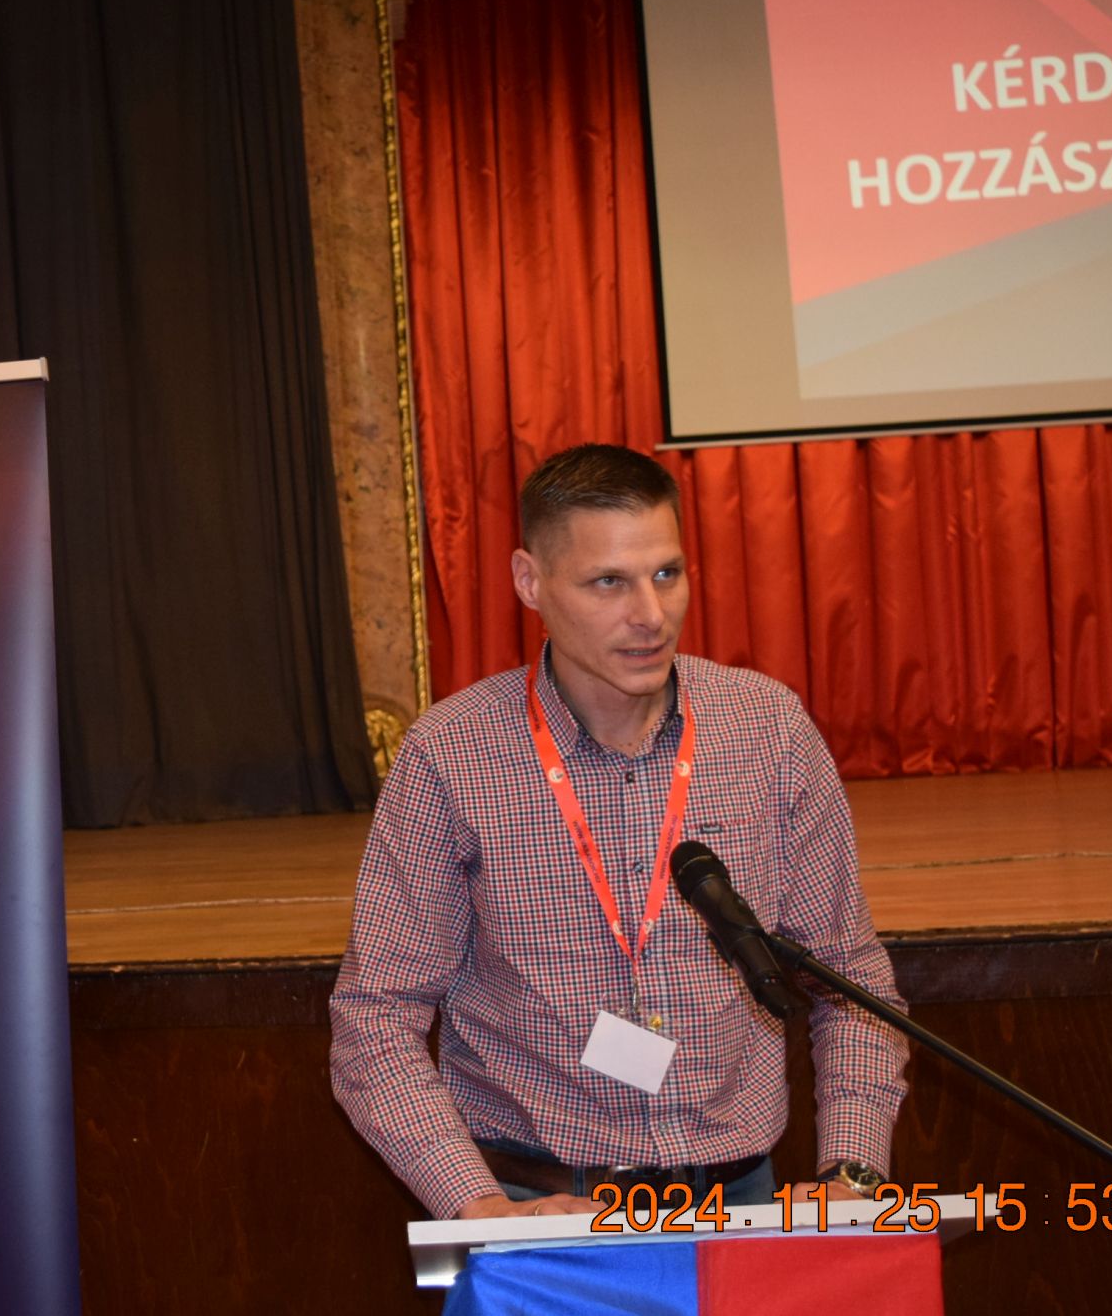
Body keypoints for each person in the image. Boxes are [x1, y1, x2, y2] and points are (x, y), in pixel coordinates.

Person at [329, 443, 908, 1220]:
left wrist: (853, 1175)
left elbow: (852, 978)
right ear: (529, 581)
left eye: (667, 573)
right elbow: (376, 1016)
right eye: (609, 582)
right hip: (539, 1206)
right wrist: (477, 1205)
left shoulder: (767, 729)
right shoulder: (451, 754)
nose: (651, 614)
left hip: (736, 1198)